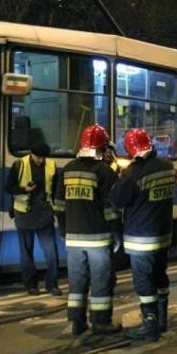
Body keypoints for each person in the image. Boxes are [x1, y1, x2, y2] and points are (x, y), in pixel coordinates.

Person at [54, 125, 122, 336]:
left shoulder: (68, 169)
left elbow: (58, 204)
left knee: (77, 282)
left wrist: (64, 230)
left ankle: (76, 322)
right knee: (101, 281)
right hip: (98, 238)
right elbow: (111, 208)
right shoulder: (104, 172)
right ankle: (101, 322)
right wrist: (117, 233)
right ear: (102, 148)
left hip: (73, 238)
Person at [109, 128, 176, 342]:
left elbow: (118, 200)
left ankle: (149, 324)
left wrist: (119, 179)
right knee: (159, 275)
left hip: (141, 237)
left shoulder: (133, 172)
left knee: (144, 281)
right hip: (163, 234)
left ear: (131, 149)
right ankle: (162, 320)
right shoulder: (166, 166)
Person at [4, 142, 62, 296]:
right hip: (24, 214)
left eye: (43, 157)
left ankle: (52, 284)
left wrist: (55, 209)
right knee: (26, 252)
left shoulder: (51, 166)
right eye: (38, 157)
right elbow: (8, 187)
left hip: (44, 214)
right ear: (31, 153)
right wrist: (24, 189)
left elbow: (56, 189)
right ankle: (31, 285)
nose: (41, 160)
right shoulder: (19, 164)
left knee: (50, 251)